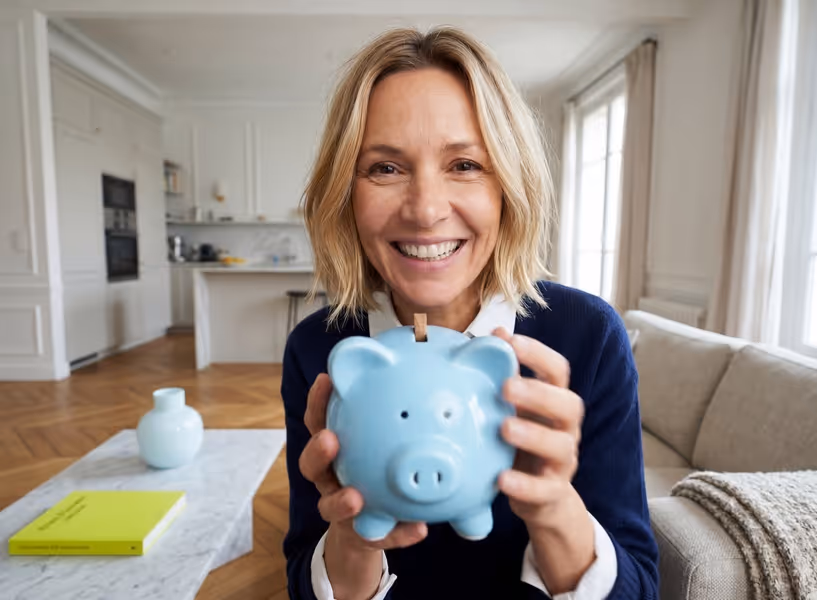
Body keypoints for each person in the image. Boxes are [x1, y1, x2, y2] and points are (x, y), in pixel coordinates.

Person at [282, 26, 658, 600]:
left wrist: (553, 508)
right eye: (385, 168)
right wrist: (352, 538)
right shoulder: (320, 349)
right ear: (345, 192)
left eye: (464, 165)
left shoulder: (587, 336)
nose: (426, 210)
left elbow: (640, 587)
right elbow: (303, 576)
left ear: (508, 184)